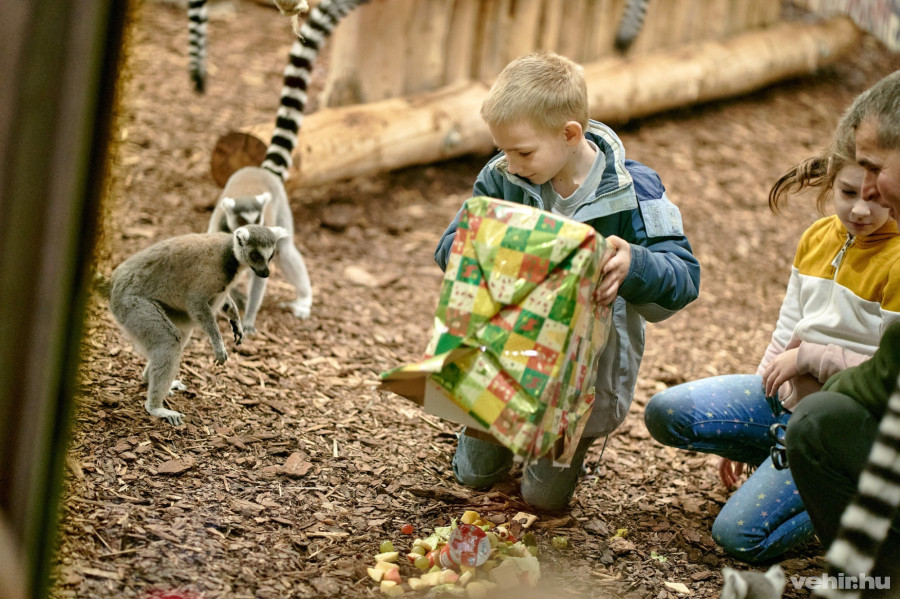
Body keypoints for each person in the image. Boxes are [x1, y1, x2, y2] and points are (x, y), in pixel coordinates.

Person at [433, 50, 701, 511]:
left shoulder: (633, 190)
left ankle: (561, 449)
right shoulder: (502, 178)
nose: (511, 163)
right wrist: (497, 245)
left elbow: (683, 275)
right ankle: (490, 429)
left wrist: (634, 264)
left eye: (523, 152)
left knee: (542, 499)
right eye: (502, 150)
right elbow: (449, 247)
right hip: (507, 355)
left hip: (582, 377)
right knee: (475, 476)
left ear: (570, 134)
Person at [643, 106, 900, 562]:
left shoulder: (896, 261)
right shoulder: (817, 237)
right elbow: (787, 328)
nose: (860, 209)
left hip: (838, 430)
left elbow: (887, 376)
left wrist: (810, 358)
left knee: (739, 537)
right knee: (665, 412)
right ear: (830, 182)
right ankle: (774, 457)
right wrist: (749, 427)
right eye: (847, 193)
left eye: (877, 199)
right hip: (785, 405)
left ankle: (836, 498)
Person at [786, 70, 900, 593]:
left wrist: (816, 365)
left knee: (818, 423)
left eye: (875, 168)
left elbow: (884, 377)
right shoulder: (819, 238)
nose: (869, 191)